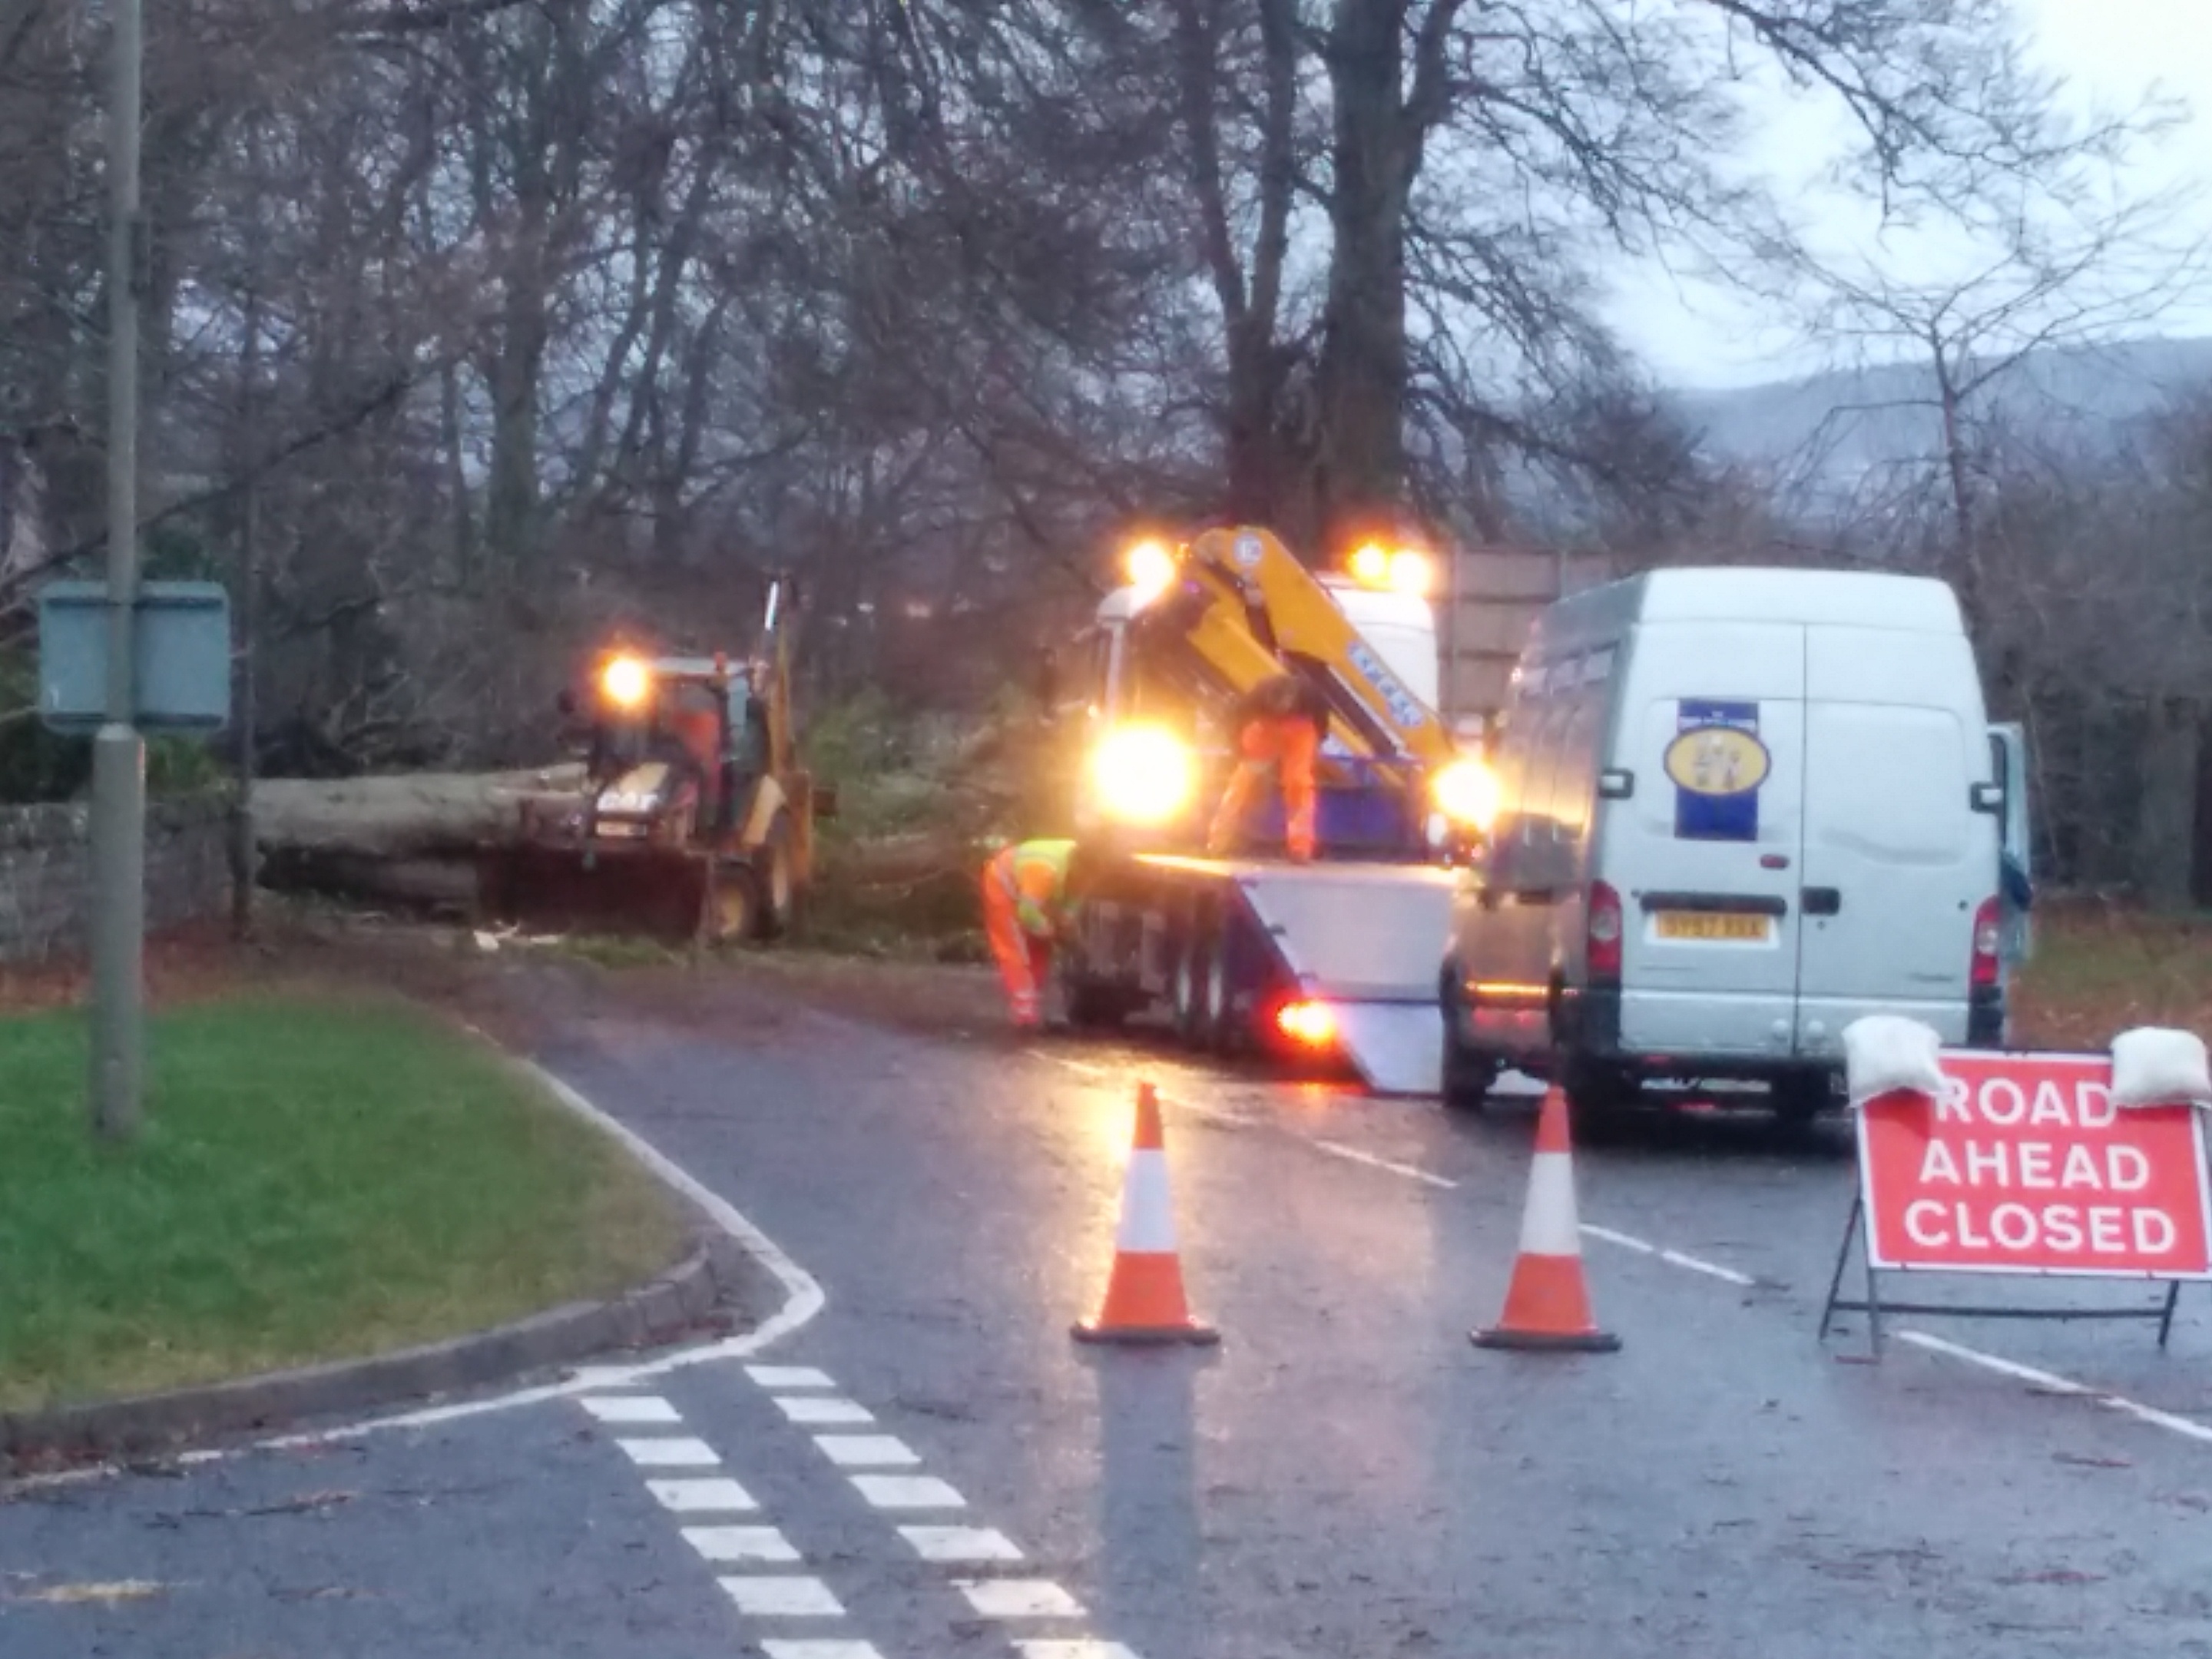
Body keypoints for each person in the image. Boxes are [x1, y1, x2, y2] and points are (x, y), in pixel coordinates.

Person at [1206, 672, 1330, 862]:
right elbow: (1236, 724)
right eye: (1276, 709)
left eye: (1284, 708)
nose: (1281, 712)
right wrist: (1242, 753)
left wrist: (1315, 743)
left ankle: (1300, 847)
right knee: (1243, 781)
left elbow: (1322, 722)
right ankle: (1218, 842)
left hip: (1300, 730)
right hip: (1266, 728)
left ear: (1293, 699)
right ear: (1268, 702)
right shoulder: (1256, 697)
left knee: (1298, 782)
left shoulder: (1310, 694)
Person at [980, 837, 1078, 1028]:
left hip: (1033, 890)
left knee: (1039, 946)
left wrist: (1066, 921)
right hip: (1003, 884)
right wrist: (1048, 930)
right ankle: (1024, 1010)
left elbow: (1072, 900)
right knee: (1013, 946)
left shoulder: (1084, 868)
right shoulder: (1043, 871)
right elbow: (1027, 912)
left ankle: (1032, 998)